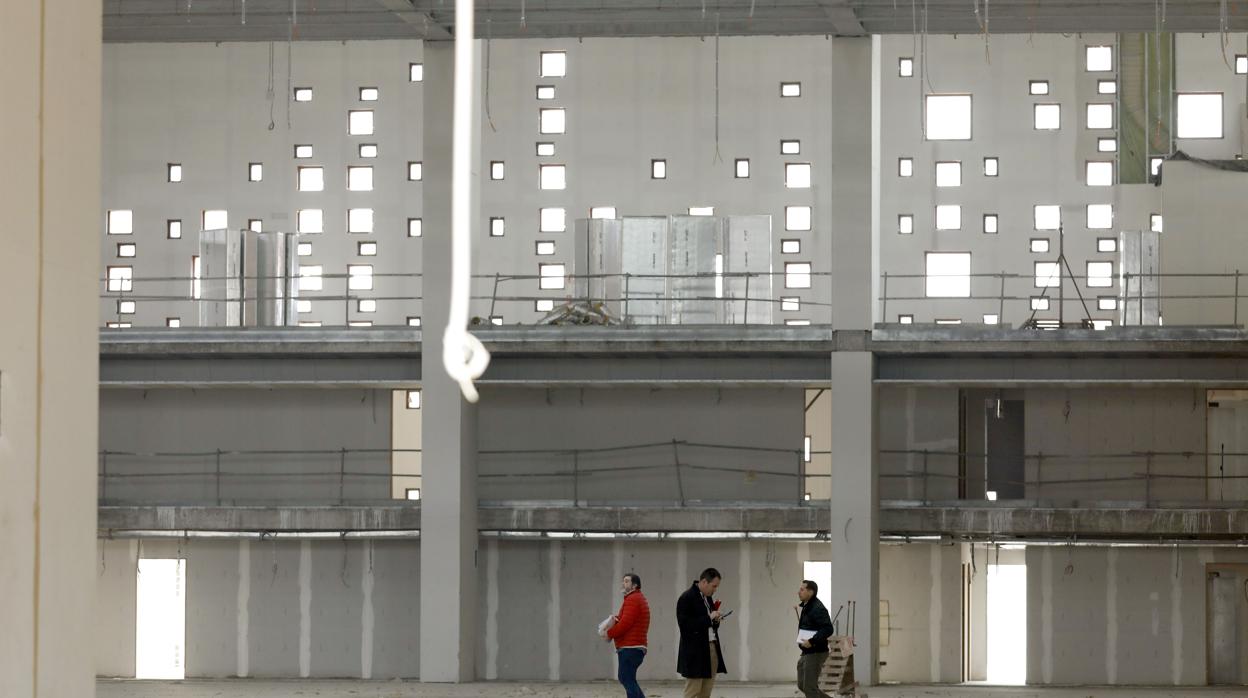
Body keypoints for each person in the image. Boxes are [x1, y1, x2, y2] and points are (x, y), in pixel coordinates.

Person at [676, 567, 727, 698]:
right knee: (693, 691)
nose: (715, 589)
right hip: (695, 651)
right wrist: (708, 617)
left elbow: (710, 625)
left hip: (711, 648)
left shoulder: (708, 598)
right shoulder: (686, 598)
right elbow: (685, 626)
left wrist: (716, 620)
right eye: (714, 586)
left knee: (706, 692)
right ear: (704, 582)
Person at [604, 573, 650, 698]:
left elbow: (626, 623)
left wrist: (609, 633)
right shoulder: (635, 598)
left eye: (626, 581)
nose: (623, 583)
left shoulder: (633, 599)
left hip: (631, 647)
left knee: (625, 677)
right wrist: (615, 620)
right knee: (628, 678)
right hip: (635, 647)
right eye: (623, 581)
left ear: (634, 585)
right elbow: (626, 619)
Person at [794, 579, 836, 698]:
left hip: (816, 652)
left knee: (809, 688)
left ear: (810, 592)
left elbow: (828, 628)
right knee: (803, 685)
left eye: (802, 589)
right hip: (807, 651)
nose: (799, 592)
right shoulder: (807, 606)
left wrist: (812, 641)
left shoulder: (817, 608)